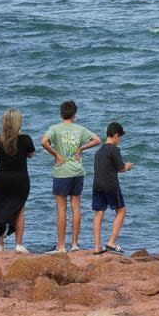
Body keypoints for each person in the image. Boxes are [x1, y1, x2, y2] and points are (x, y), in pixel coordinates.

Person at [40, 100, 101, 253]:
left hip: (62, 172)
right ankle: (74, 244)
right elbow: (98, 140)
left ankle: (61, 246)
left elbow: (43, 142)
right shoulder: (80, 129)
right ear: (74, 114)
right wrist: (81, 148)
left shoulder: (55, 128)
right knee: (76, 207)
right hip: (77, 171)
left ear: (61, 114)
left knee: (61, 209)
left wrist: (55, 153)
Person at [0, 109, 35, 254]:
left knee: (0, 207)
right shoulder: (26, 139)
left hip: (2, 178)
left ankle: (0, 245)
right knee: (20, 209)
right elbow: (31, 155)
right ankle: (19, 244)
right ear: (18, 123)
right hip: (20, 178)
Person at [92, 121, 133, 255]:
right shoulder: (114, 150)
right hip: (110, 185)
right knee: (121, 210)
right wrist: (127, 167)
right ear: (115, 135)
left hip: (97, 185)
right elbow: (121, 169)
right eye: (120, 137)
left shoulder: (99, 151)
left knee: (98, 213)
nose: (120, 140)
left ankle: (97, 246)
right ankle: (111, 242)